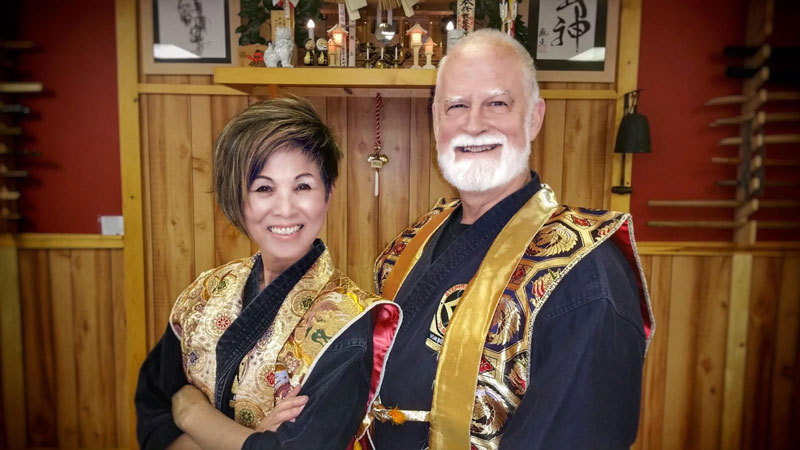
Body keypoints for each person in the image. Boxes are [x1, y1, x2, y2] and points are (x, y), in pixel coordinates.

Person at [367, 29, 654, 449]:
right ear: (436, 121)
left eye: (497, 103)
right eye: (456, 106)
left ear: (534, 117)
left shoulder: (583, 274)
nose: (474, 124)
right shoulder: (411, 243)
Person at [135, 97, 400, 450]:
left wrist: (193, 414)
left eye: (302, 186)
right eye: (264, 188)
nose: (285, 209)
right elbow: (154, 415)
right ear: (238, 198)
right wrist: (249, 440)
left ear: (328, 194)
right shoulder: (205, 294)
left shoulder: (348, 324)